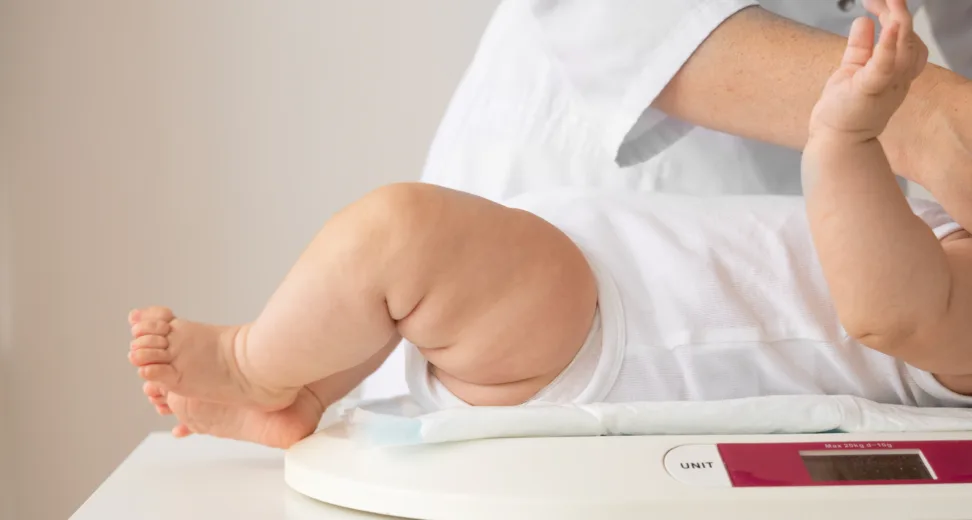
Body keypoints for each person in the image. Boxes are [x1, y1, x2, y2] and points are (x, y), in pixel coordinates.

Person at [128, 2, 971, 450]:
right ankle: (304, 395)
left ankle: (252, 362)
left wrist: (850, 136)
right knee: (398, 284)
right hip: (604, 264)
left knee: (395, 238)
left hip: (614, 343)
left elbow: (885, 310)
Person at [361, 0, 972, 400]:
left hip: (618, 360)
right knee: (403, 253)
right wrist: (893, 123)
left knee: (401, 251)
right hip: (599, 148)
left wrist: (853, 135)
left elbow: (894, 315)